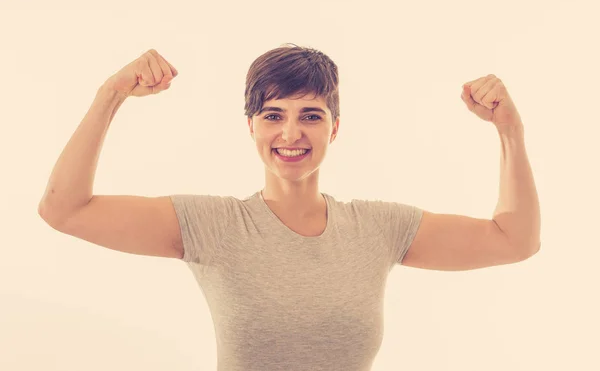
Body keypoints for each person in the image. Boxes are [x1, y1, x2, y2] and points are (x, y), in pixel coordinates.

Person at [38, 44, 541, 371]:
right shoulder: (213, 225)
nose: (291, 133)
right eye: (273, 115)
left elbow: (514, 240)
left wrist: (510, 131)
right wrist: (110, 95)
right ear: (251, 127)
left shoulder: (379, 227)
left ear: (334, 128)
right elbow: (64, 209)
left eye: (311, 116)